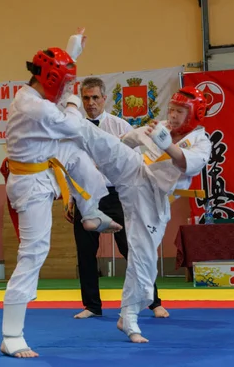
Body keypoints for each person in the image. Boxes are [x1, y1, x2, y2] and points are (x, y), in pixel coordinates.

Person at [0, 29, 122, 358]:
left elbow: (70, 131)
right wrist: (72, 96)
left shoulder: (36, 95)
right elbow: (71, 122)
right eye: (66, 83)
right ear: (53, 80)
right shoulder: (33, 105)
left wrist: (72, 53)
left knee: (77, 153)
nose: (70, 89)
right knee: (33, 253)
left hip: (46, 164)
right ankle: (11, 335)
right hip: (30, 185)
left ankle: (92, 212)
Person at [72, 86, 211, 343]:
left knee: (142, 260)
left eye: (180, 111)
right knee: (93, 138)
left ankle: (128, 317)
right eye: (171, 109)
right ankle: (66, 111)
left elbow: (184, 163)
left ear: (194, 114)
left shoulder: (201, 141)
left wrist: (166, 144)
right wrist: (124, 144)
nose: (173, 115)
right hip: (134, 172)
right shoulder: (160, 128)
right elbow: (126, 142)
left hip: (153, 199)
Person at [66, 77, 169, 319]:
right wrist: (72, 197)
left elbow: (133, 163)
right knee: (85, 251)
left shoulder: (120, 126)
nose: (90, 103)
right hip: (86, 195)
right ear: (81, 100)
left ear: (104, 99)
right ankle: (92, 305)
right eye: (86, 98)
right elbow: (69, 165)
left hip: (117, 194)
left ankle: (153, 301)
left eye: (95, 98)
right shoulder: (75, 128)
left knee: (132, 246)